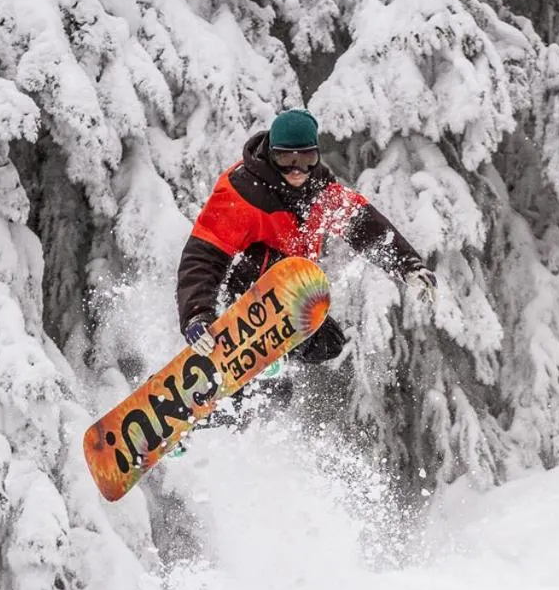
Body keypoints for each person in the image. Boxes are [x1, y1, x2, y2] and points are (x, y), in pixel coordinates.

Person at [174, 108, 436, 426]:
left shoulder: (321, 193)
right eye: (286, 159)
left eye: (307, 159)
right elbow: (203, 257)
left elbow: (366, 227)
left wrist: (407, 265)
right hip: (243, 293)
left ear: (316, 156)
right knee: (263, 384)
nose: (297, 170)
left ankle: (262, 378)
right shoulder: (242, 192)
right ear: (272, 155)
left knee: (327, 344)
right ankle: (207, 410)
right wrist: (197, 314)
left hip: (289, 298)